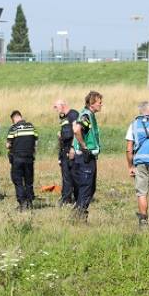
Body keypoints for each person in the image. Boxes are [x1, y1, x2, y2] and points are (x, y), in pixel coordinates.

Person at [71, 91, 103, 222]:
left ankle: (77, 213)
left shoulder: (88, 114)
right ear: (92, 103)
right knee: (87, 187)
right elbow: (77, 130)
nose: (101, 105)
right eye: (99, 102)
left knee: (86, 187)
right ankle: (79, 216)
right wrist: (84, 146)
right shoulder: (86, 115)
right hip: (86, 158)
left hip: (84, 157)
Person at [6, 110, 39, 211]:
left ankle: (22, 203)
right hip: (29, 158)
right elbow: (36, 141)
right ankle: (29, 202)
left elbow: (8, 145)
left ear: (14, 119)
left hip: (18, 158)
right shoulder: (31, 126)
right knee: (29, 181)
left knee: (18, 181)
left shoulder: (14, 128)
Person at [53, 99, 79, 206]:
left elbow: (76, 132)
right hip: (64, 150)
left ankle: (71, 198)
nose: (56, 110)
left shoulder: (73, 114)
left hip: (71, 149)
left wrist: (73, 147)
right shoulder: (63, 118)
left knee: (72, 175)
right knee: (66, 175)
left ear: (63, 106)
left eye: (56, 107)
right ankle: (66, 198)